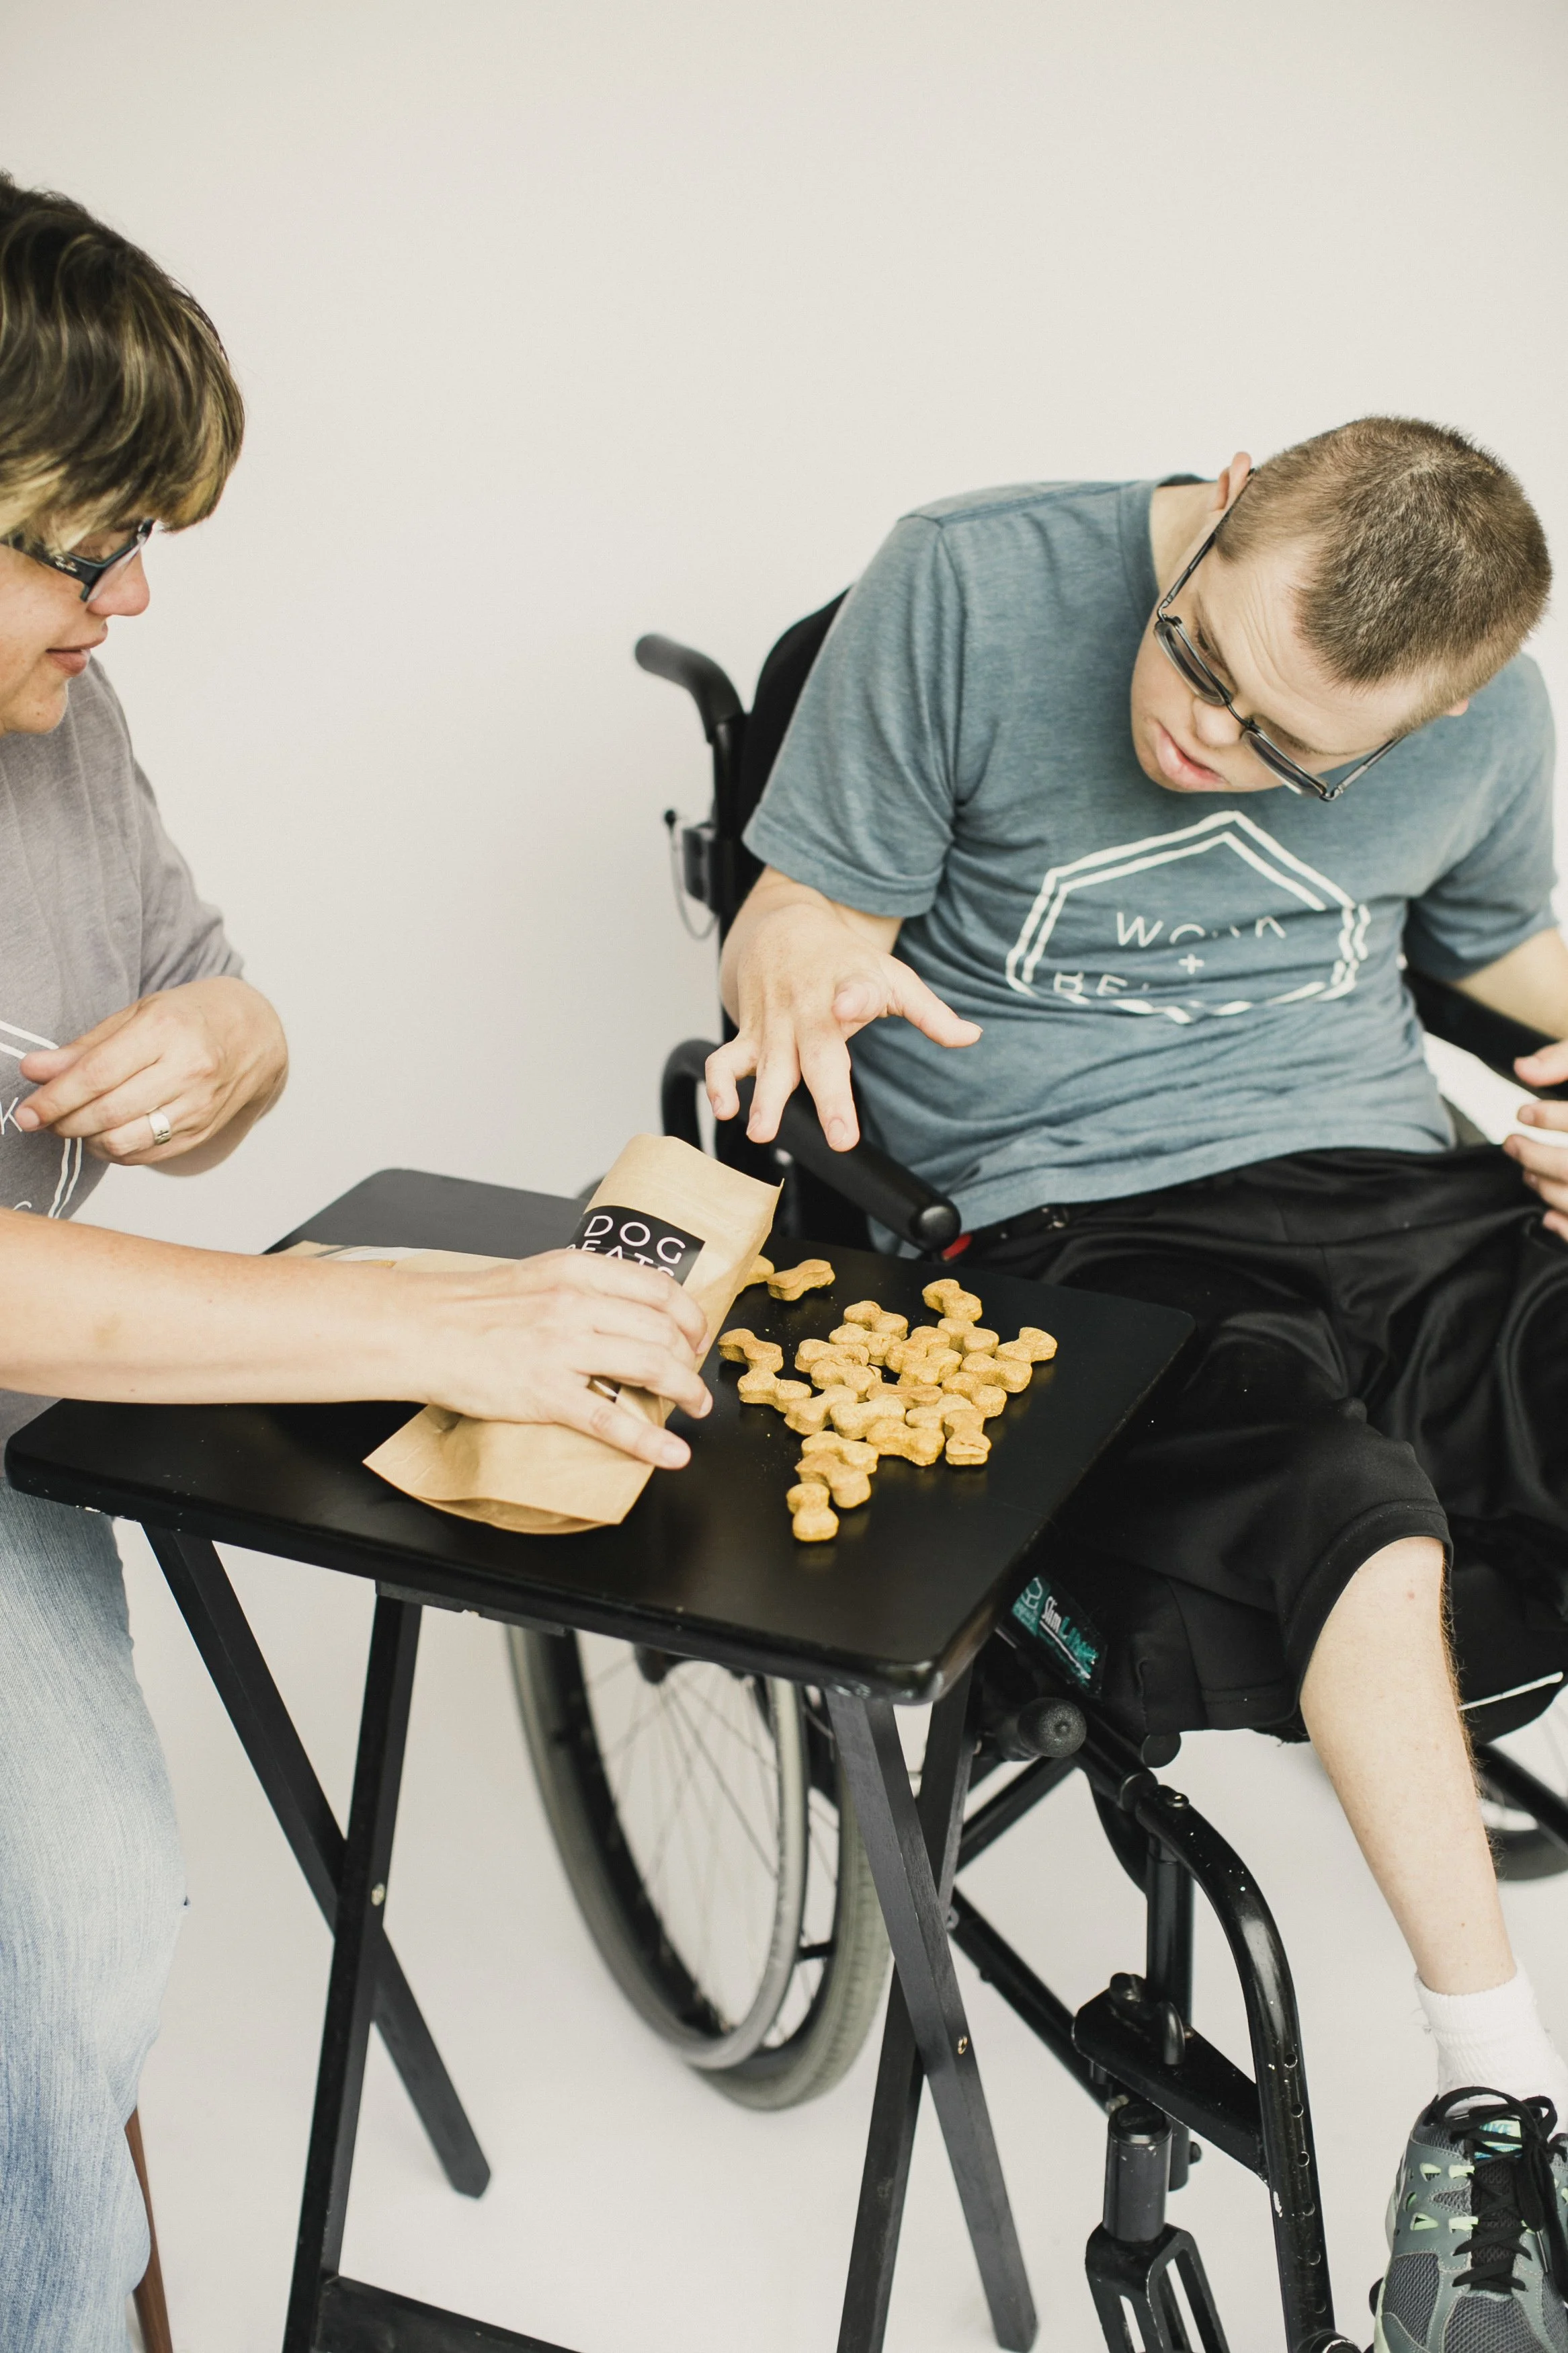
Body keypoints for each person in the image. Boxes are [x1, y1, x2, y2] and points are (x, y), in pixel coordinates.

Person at [710, 422, 1568, 2348]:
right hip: (1074, 1223)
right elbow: (796, 912)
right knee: (1340, 1503)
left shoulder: (1488, 720)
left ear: (1429, 717)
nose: (1203, 740)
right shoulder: (964, 580)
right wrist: (792, 972)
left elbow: (1500, 949)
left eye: (1289, 753)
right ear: (1229, 497)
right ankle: (1498, 2101)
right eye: (1202, 660)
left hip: (1390, 1186)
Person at [0, 175, 712, 2353]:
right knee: (41, 1947)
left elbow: (215, 1006)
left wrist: (233, 1044)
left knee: (73, 1927)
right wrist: (430, 1314)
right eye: (79, 542)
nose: (128, 598)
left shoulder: (63, 723)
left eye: (143, 540)